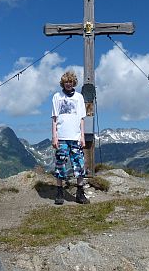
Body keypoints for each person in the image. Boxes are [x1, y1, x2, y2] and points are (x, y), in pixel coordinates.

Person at [51, 70, 89, 205]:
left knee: (79, 165)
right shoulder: (57, 96)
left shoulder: (79, 97)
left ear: (74, 83)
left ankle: (80, 193)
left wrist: (82, 136)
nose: (68, 84)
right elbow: (54, 118)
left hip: (76, 136)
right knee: (60, 165)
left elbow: (81, 119)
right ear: (63, 83)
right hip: (61, 136)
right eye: (66, 82)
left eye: (71, 82)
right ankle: (59, 192)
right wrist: (54, 136)